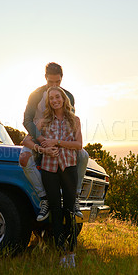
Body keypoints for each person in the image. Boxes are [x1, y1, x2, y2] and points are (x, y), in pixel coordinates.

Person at [19, 62, 88, 221]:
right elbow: (27, 120)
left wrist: (58, 143)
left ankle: (75, 197)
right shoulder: (35, 95)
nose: (54, 85)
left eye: (57, 82)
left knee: (83, 156)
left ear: (61, 79)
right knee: (24, 159)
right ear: (45, 78)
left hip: (59, 140)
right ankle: (45, 198)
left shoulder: (68, 96)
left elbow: (70, 122)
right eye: (51, 82)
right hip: (38, 137)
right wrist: (42, 140)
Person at [22, 86, 81, 267]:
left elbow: (79, 145)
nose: (55, 100)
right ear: (48, 102)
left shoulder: (75, 120)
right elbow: (25, 141)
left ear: (63, 99)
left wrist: (56, 142)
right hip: (49, 169)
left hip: (69, 168)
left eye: (57, 97)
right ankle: (61, 252)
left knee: (69, 209)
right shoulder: (43, 121)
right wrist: (43, 149)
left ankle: (71, 251)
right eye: (51, 98)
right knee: (55, 210)